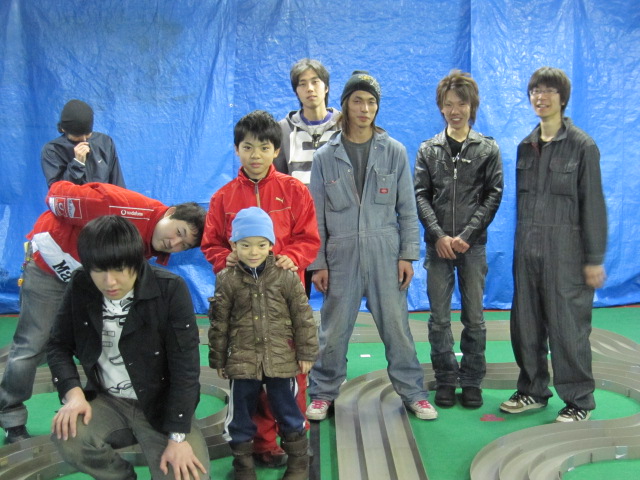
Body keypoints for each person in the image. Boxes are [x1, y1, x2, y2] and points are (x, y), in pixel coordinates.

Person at [0, 180, 206, 443]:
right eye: (178, 231)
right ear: (171, 212)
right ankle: (11, 417)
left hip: (91, 282)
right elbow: (56, 194)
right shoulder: (123, 207)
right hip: (49, 271)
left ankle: (100, 403)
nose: (173, 243)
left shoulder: (149, 250)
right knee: (33, 343)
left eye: (183, 245)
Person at [306, 70, 437, 422]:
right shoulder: (325, 157)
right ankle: (322, 393)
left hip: (385, 252)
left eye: (371, 102)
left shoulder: (394, 152)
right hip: (341, 255)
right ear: (345, 105)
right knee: (332, 331)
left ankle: (414, 394)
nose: (365, 109)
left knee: (397, 328)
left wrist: (408, 254)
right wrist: (318, 263)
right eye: (357, 101)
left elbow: (407, 208)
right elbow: (315, 215)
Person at [47, 215, 210, 479]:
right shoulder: (80, 284)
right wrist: (73, 395)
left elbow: (186, 369)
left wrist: (178, 437)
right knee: (68, 434)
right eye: (98, 270)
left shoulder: (170, 289)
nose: (109, 282)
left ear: (137, 262)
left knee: (189, 475)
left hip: (161, 404)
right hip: (107, 401)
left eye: (120, 270)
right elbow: (58, 345)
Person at [201, 110, 320, 467]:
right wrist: (225, 259)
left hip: (283, 306)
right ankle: (263, 445)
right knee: (249, 377)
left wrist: (291, 258)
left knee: (286, 376)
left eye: (264, 147)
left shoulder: (294, 191)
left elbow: (309, 238)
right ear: (236, 149)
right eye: (248, 147)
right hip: (242, 308)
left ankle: (293, 440)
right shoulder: (222, 198)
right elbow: (211, 244)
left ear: (276, 150)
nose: (256, 155)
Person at [499, 67, 607, 423]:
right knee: (525, 327)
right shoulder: (525, 147)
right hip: (527, 252)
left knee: (568, 330)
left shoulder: (582, 146)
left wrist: (594, 258)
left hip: (566, 255)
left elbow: (593, 205)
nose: (540, 97)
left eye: (548, 91)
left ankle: (579, 400)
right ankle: (532, 390)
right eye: (535, 91)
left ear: (562, 98)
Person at [414, 70, 503, 408]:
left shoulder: (487, 148)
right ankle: (446, 379)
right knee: (438, 319)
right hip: (437, 248)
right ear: (441, 107)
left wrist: (467, 235)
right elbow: (420, 195)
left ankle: (471, 380)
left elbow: (493, 195)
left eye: (461, 104)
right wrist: (438, 236)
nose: (455, 111)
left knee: (475, 318)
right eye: (449, 104)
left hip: (473, 247)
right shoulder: (428, 149)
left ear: (472, 106)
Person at [209, 207, 317, 480]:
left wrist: (306, 352)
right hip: (242, 361)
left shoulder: (286, 276)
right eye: (245, 245)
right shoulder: (226, 279)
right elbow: (220, 322)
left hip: (281, 360)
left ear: (271, 244)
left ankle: (298, 465)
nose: (253, 251)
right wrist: (219, 358)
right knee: (239, 416)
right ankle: (243, 466)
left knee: (289, 411)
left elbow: (303, 316)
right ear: (233, 245)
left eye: (261, 244)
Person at [274, 58, 340, 297]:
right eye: (302, 84)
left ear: (326, 87)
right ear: (296, 91)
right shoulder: (282, 130)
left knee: (339, 301)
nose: (310, 88)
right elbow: (277, 181)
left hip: (338, 230)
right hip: (298, 232)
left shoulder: (346, 126)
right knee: (294, 301)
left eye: (315, 82)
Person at [41, 99, 126, 187]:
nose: (84, 140)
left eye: (88, 135)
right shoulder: (53, 150)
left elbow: (117, 182)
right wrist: (77, 164)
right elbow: (58, 191)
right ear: (63, 129)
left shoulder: (105, 142)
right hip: (75, 196)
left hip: (102, 196)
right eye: (77, 137)